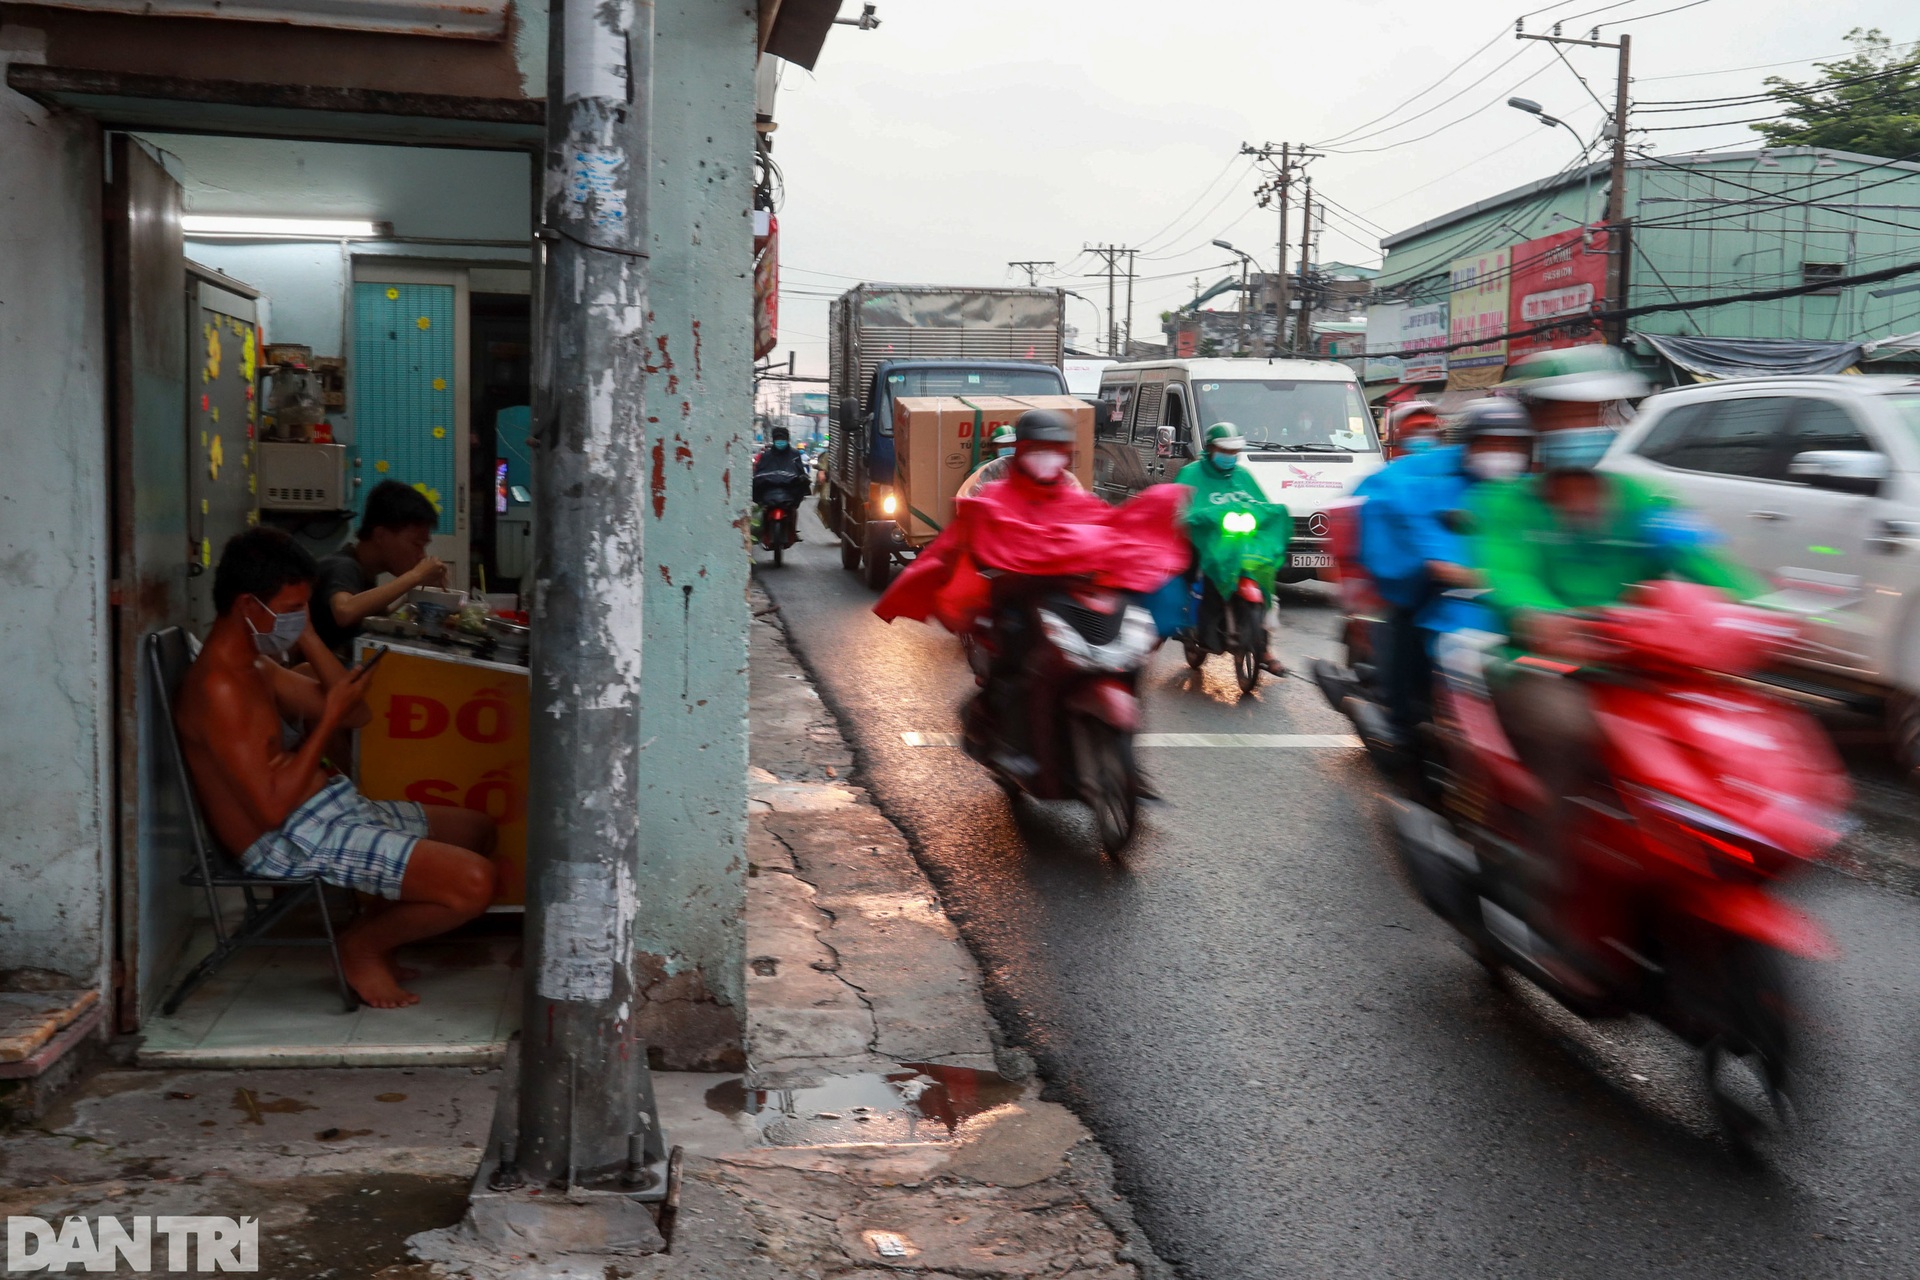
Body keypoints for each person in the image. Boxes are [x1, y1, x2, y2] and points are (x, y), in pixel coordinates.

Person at [1468, 347, 1761, 991]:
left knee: (1722, 749)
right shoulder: (1509, 507)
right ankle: (1559, 907)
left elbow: (1699, 556)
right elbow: (1509, 578)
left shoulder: (1641, 496)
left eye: (1595, 411)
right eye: (1568, 413)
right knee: (1576, 744)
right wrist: (1540, 614)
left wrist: (1751, 609)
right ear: (1539, 422)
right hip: (1541, 670)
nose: (1584, 424)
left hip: (1641, 671)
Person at [176, 527, 499, 1009]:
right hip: (287, 838)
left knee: (478, 830)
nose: (294, 621)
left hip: (328, 808)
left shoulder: (258, 668)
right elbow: (269, 810)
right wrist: (324, 721)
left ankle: (371, 933)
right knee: (475, 882)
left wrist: (305, 634)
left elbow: (357, 715)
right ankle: (360, 947)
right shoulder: (218, 690)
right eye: (288, 611)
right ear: (248, 607)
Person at [874, 408, 1187, 775]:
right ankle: (1011, 738)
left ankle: (1124, 761)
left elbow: (1102, 527)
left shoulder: (1073, 491)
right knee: (1019, 652)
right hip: (1018, 592)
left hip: (1067, 594)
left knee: (1126, 652)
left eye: (1055, 449)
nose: (1047, 456)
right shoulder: (991, 486)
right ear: (1019, 450)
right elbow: (970, 524)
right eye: (1038, 448)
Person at [1356, 398, 1536, 741]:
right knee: (1410, 618)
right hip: (1438, 592)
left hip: (1508, 603)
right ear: (1470, 444)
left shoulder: (1527, 490)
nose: (1503, 452)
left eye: (1512, 444)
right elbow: (1428, 544)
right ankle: (1400, 718)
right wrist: (1453, 566)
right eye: (1493, 443)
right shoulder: (1432, 479)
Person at [1175, 423, 1289, 676]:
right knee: (1190, 572)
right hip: (1205, 543)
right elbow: (1180, 509)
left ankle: (1265, 649)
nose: (1230, 456)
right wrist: (1196, 517)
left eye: (1234, 451)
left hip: (1241, 543)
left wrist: (1273, 512)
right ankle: (1191, 624)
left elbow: (1261, 503)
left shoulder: (1243, 476)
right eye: (1224, 450)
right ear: (1210, 448)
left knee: (1265, 577)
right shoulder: (1191, 474)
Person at [313, 481, 448, 657]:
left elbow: (374, 623)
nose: (422, 555)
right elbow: (345, 612)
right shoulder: (342, 566)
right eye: (417, 544)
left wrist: (413, 599)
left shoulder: (366, 571)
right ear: (380, 535)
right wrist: (415, 575)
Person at [956, 421, 1083, 500]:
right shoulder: (990, 472)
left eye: (1053, 448)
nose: (1044, 456)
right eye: (1036, 448)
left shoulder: (1069, 483)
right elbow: (969, 506)